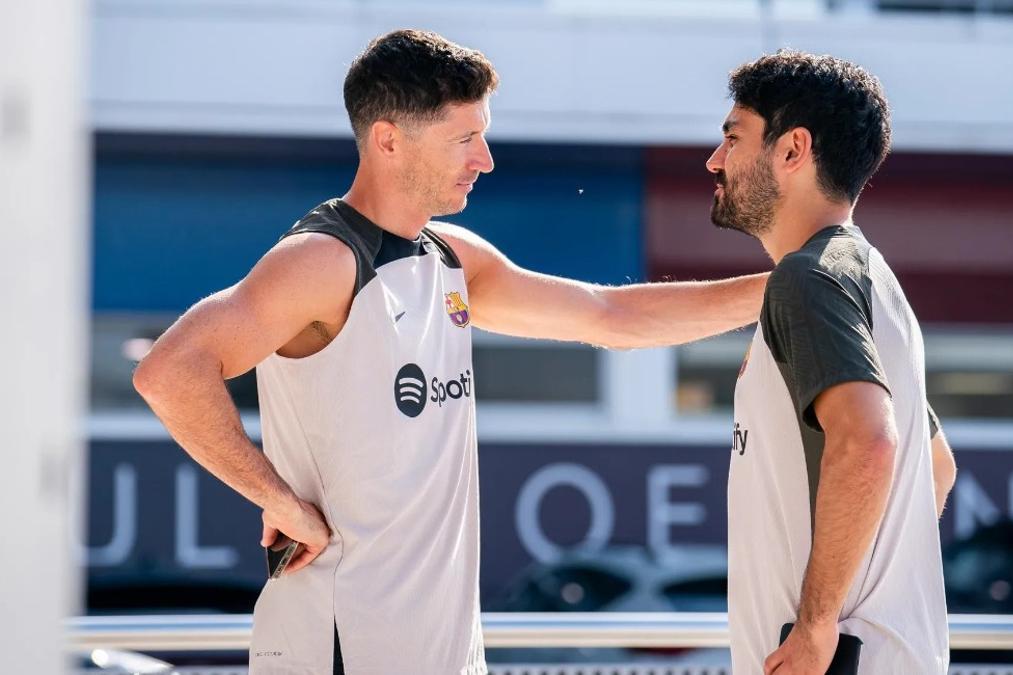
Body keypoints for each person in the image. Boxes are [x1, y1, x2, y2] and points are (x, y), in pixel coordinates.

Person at [131, 29, 767, 674]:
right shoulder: (322, 261)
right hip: (343, 639)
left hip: (444, 644)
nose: (485, 159)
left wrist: (786, 286)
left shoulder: (451, 257)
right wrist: (277, 497)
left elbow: (611, 315)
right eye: (465, 139)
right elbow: (170, 371)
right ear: (388, 140)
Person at [708, 51, 958, 674]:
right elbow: (937, 467)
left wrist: (819, 624)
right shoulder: (871, 279)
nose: (715, 161)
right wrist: (879, 588)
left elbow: (870, 442)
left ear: (792, 150)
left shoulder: (808, 278)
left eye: (733, 138)